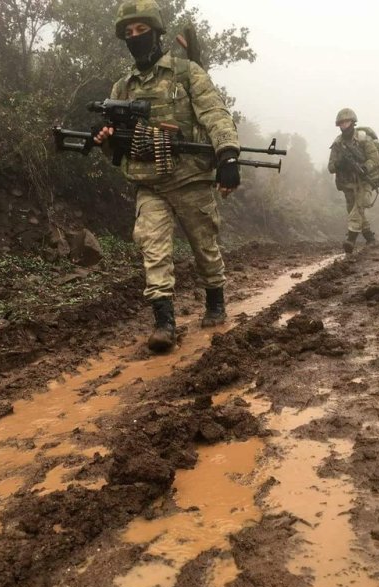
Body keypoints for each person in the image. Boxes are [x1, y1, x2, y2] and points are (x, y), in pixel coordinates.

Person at [94, 0, 241, 353]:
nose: (135, 37)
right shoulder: (122, 88)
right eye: (128, 33)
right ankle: (164, 323)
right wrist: (106, 139)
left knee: (205, 248)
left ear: (156, 32)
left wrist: (228, 154)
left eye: (141, 30)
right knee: (153, 249)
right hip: (149, 183)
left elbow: (215, 114)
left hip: (190, 178)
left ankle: (215, 302)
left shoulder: (187, 72)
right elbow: (118, 151)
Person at [328, 108, 379, 254]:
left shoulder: (363, 139)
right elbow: (330, 167)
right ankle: (371, 239)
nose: (344, 125)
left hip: (365, 180)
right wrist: (340, 163)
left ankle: (351, 239)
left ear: (353, 122)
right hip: (348, 184)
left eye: (347, 121)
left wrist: (365, 167)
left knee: (358, 207)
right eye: (342, 122)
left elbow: (374, 159)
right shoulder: (338, 144)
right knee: (356, 211)